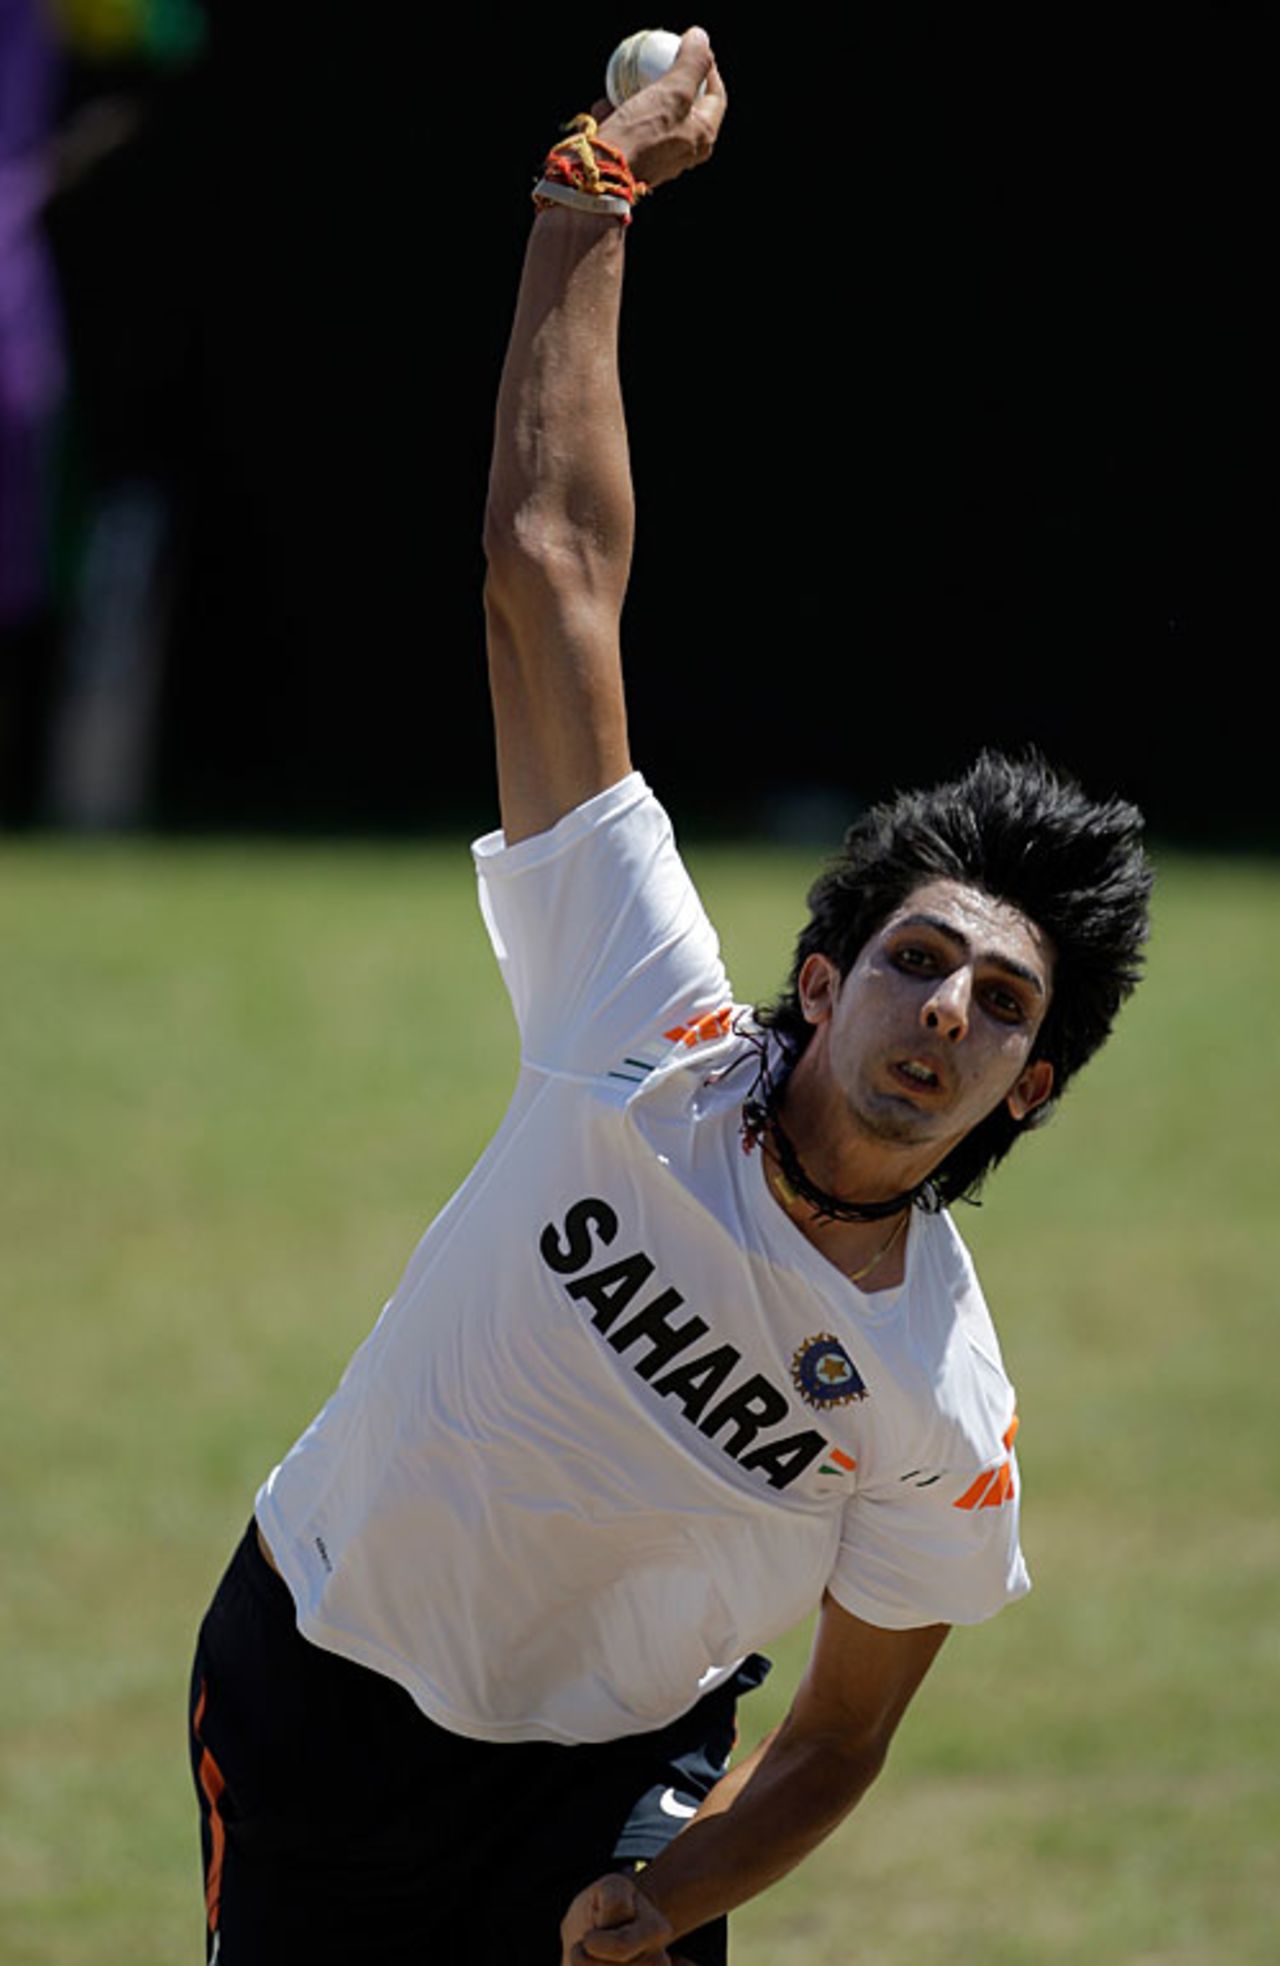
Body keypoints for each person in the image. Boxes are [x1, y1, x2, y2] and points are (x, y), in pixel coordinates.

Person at [188, 30, 1152, 1965]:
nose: (945, 1011)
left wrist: (672, 1890)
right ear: (825, 976)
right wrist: (591, 194)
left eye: (999, 1003)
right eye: (917, 959)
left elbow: (847, 1729)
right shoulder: (644, 1012)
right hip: (327, 1683)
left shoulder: (940, 1401)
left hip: (604, 1791)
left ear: (1028, 1088)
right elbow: (545, 566)